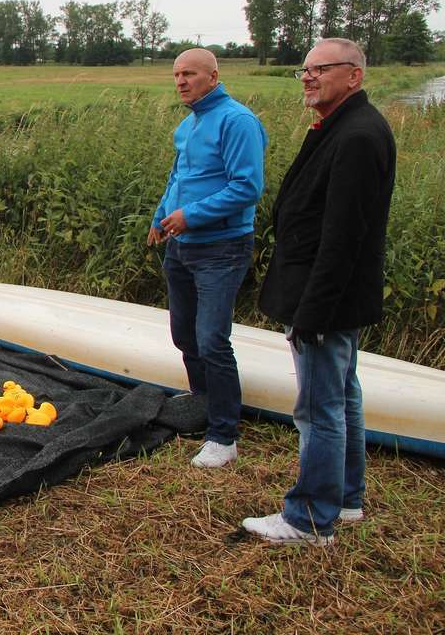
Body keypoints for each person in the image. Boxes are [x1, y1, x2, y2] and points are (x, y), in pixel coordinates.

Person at [243, 37, 395, 546]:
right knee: (343, 396)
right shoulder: (344, 126)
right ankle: (347, 498)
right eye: (304, 71)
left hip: (325, 299)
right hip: (330, 296)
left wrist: (315, 312)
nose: (308, 77)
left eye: (320, 69)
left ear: (353, 75)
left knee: (318, 407)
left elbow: (343, 236)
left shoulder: (356, 136)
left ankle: (309, 518)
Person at [148, 48, 267, 468]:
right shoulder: (189, 123)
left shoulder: (237, 121)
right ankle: (203, 403)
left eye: (190, 74)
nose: (181, 81)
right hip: (181, 245)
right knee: (184, 333)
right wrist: (160, 216)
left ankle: (224, 436)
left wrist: (190, 216)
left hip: (221, 247)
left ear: (213, 76)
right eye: (177, 74)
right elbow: (179, 176)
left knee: (212, 338)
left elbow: (247, 187)